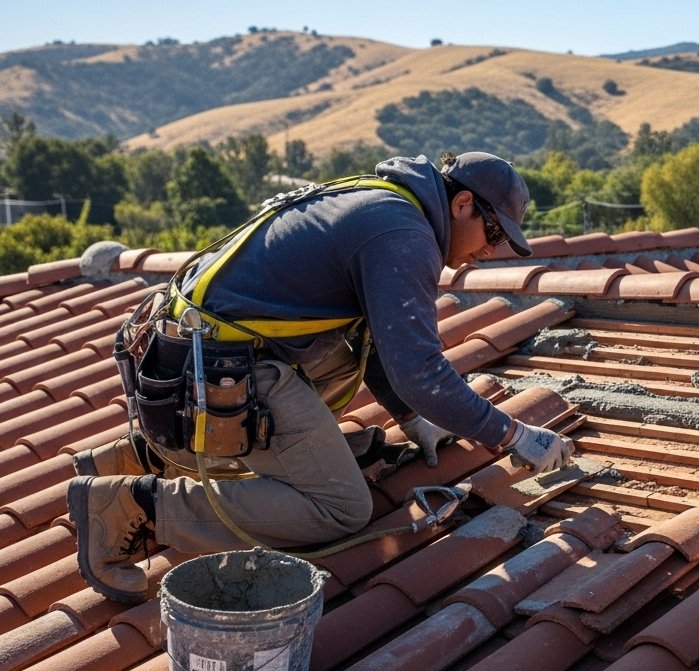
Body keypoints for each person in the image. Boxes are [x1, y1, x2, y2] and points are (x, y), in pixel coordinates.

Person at [67, 151, 574, 603]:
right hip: (218, 372)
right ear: (463, 203)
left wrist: (410, 417)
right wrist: (512, 434)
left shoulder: (384, 201)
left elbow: (375, 339)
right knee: (340, 506)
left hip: (190, 361)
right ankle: (126, 510)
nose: (491, 251)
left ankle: (137, 456)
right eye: (494, 233)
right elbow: (420, 370)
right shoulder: (404, 236)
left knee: (343, 363)